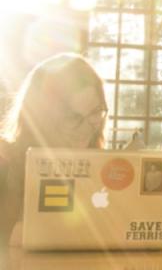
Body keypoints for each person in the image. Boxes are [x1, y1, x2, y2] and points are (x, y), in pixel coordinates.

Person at [0, 53, 108, 246]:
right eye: (73, 118)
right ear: (42, 118)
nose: (86, 129)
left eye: (94, 113)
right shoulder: (6, 161)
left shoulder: (100, 168)